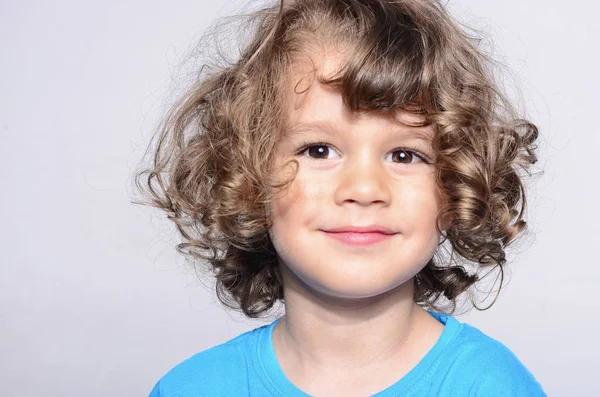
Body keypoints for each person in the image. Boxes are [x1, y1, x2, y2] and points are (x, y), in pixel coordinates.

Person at [136, 0, 545, 395]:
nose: (364, 189)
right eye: (318, 150)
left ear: (456, 187)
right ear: (247, 176)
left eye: (405, 155)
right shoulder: (190, 388)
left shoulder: (492, 386)